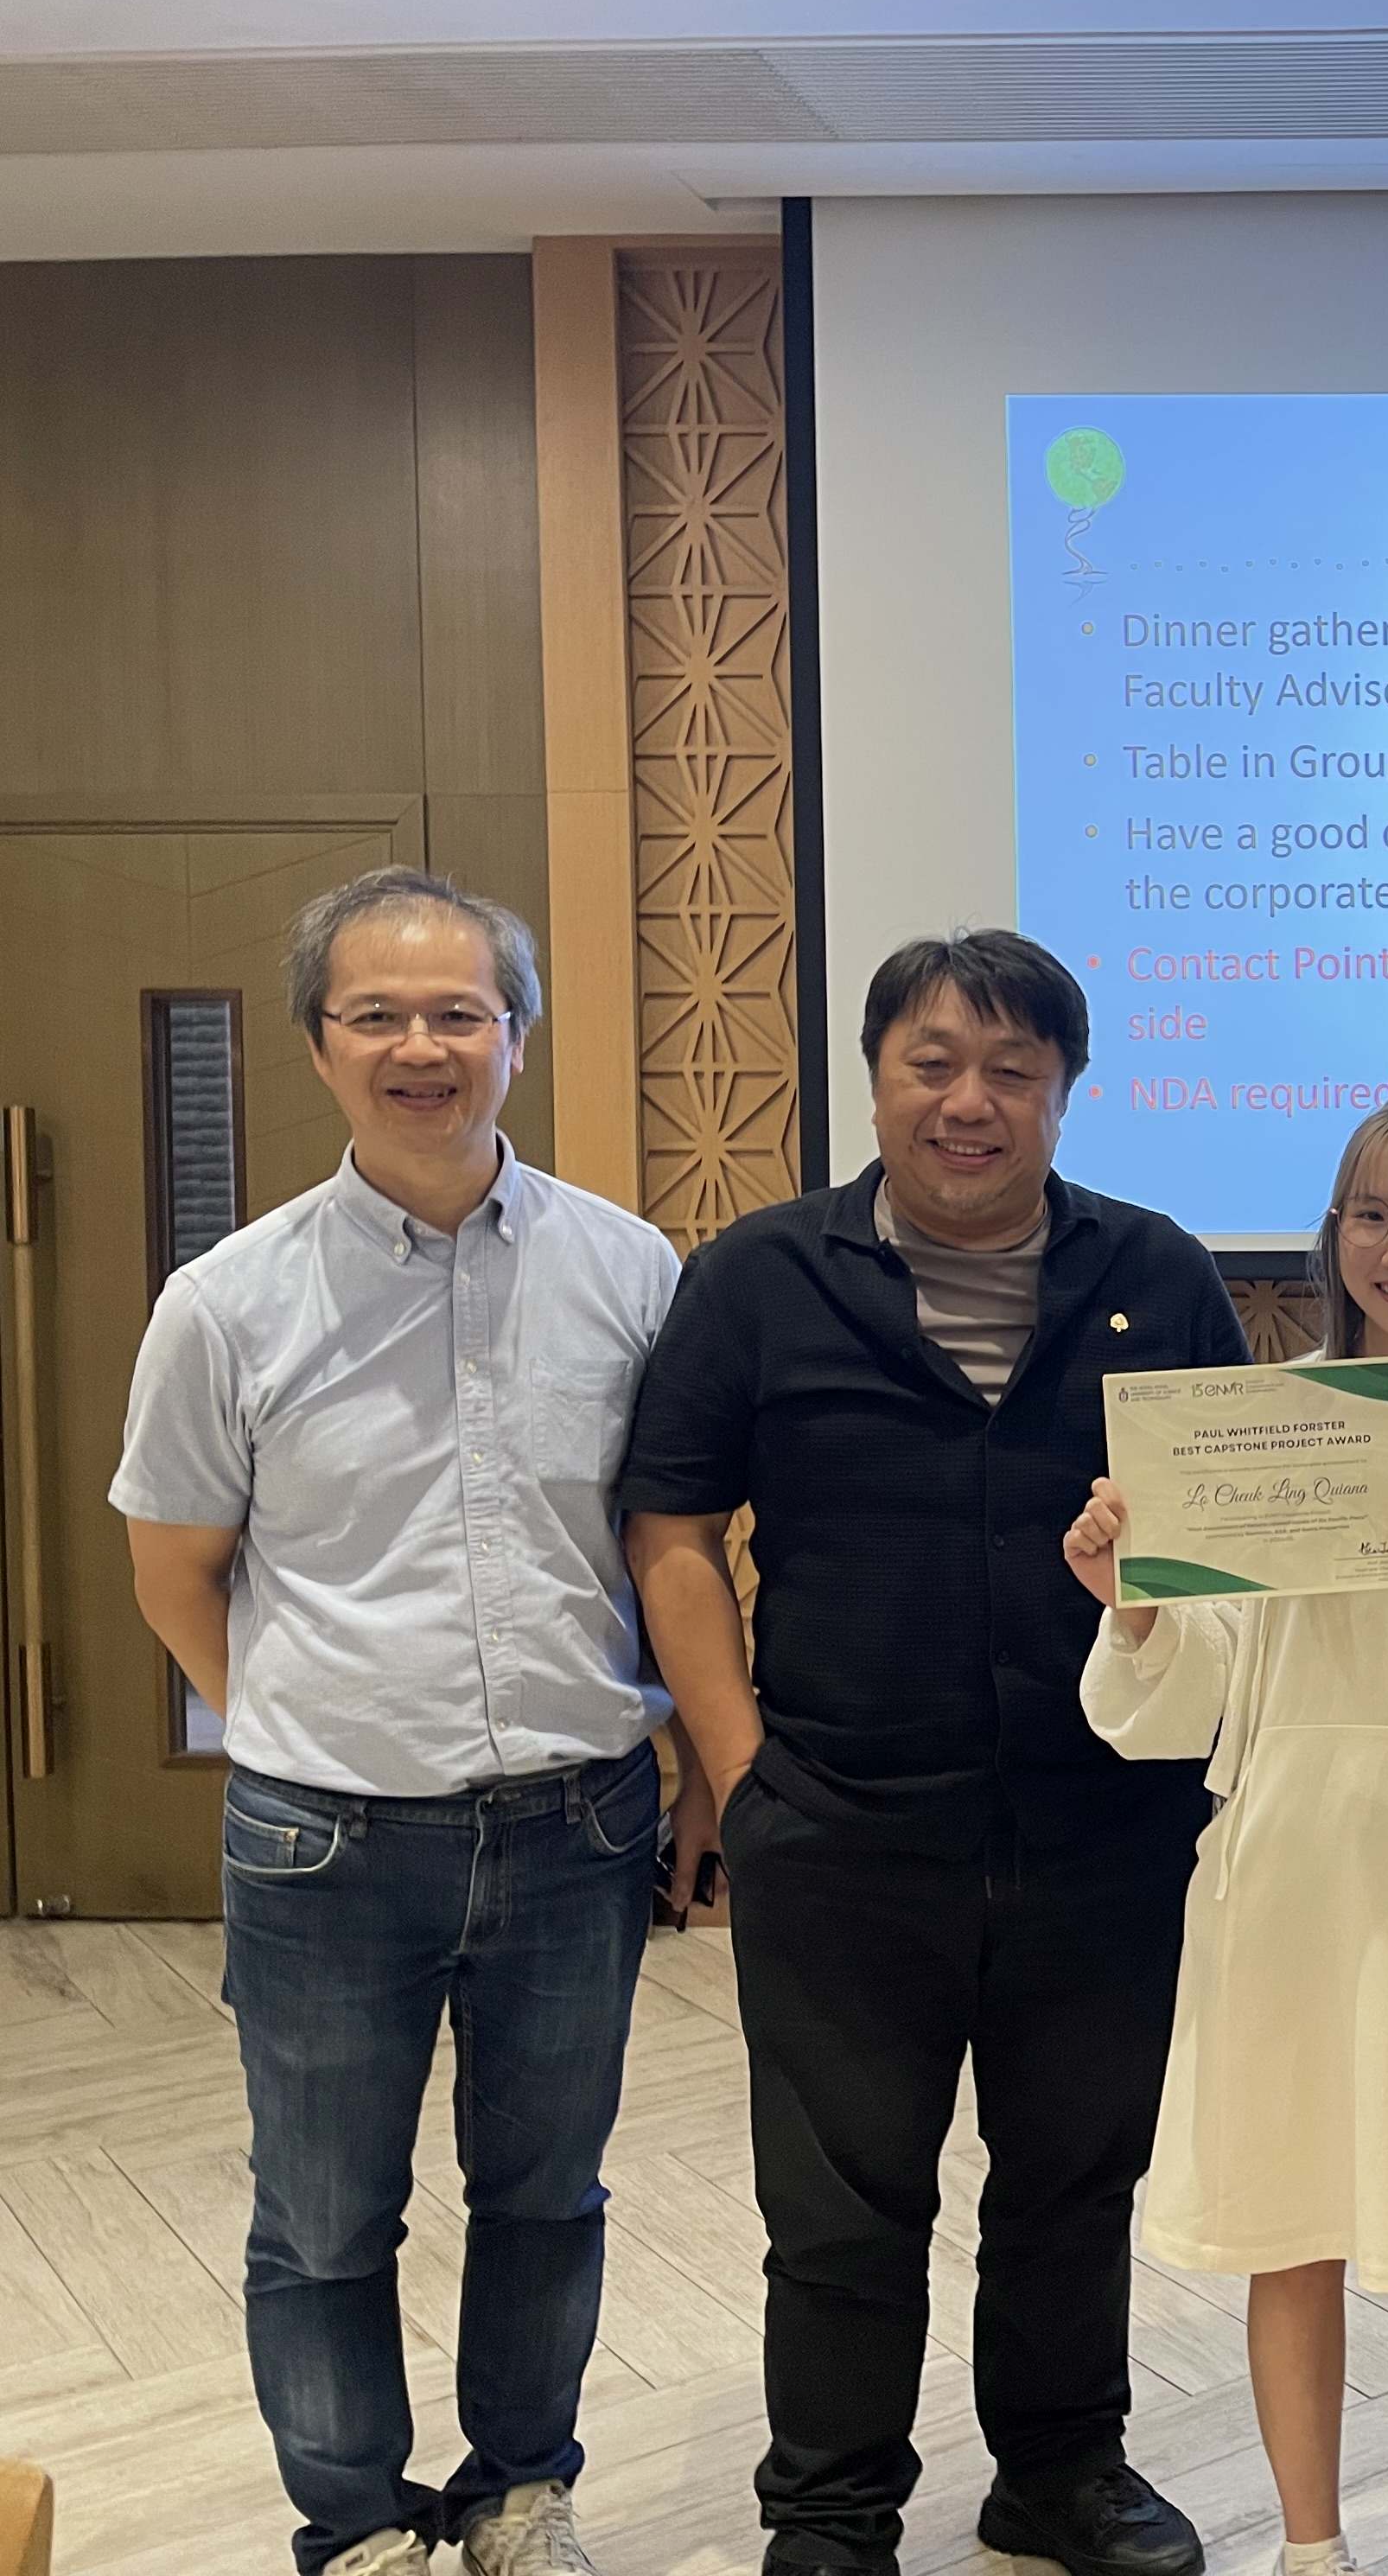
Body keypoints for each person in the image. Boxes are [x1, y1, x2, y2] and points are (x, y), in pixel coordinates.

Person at [619, 931, 1239, 2576]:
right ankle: (829, 2514)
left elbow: (1233, 1536)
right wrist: (741, 1773)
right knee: (839, 2209)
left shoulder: (1157, 1274)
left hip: (1104, 1824)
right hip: (840, 1823)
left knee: (1073, 2178)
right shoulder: (760, 1278)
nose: (973, 1103)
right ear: (877, 1075)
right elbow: (673, 1525)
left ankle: (1058, 2475)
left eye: (1015, 1072)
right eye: (936, 1065)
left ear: (1064, 1092)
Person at [113, 866, 684, 2576]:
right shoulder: (229, 1302)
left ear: (516, 1035)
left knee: (545, 2198)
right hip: (326, 1836)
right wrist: (300, 1723)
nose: (420, 1046)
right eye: (378, 1014)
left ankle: (519, 2496)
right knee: (324, 2220)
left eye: (458, 1012)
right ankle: (354, 2525)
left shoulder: (629, 1269)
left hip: (578, 1824)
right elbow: (173, 1574)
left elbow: (664, 1544)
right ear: (319, 1045)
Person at [1064, 1096, 1388, 2576]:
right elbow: (1189, 1696)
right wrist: (1139, 1596)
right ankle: (1308, 2544)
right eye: (1373, 1215)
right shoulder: (1259, 1423)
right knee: (1295, 2214)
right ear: (1333, 1234)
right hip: (1285, 1855)